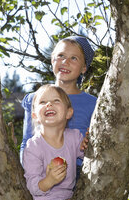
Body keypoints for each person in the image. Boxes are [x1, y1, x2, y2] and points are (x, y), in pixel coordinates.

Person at [20, 36, 97, 174]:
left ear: (84, 67)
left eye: (74, 58)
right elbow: (26, 141)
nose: (65, 62)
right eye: (61, 55)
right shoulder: (34, 99)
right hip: (41, 171)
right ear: (52, 60)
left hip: (78, 173)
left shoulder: (92, 104)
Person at [22, 84, 89, 200]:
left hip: (71, 199)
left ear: (69, 113)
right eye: (43, 102)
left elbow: (88, 156)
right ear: (35, 116)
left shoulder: (74, 137)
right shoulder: (33, 146)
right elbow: (32, 185)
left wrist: (87, 143)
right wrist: (49, 181)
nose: (49, 104)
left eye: (56, 101)